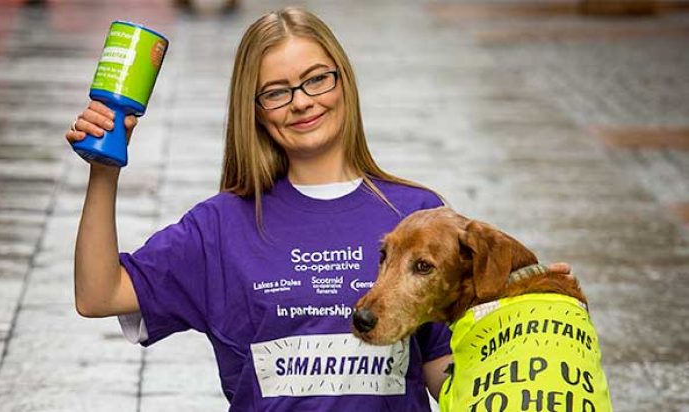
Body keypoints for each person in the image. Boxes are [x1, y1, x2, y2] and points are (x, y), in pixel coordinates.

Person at [66, 7, 570, 411]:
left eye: (316, 80)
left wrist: (533, 329)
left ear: (343, 81)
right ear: (255, 110)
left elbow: (441, 373)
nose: (302, 102)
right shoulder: (221, 226)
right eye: (277, 92)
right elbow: (98, 293)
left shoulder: (418, 215)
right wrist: (104, 170)